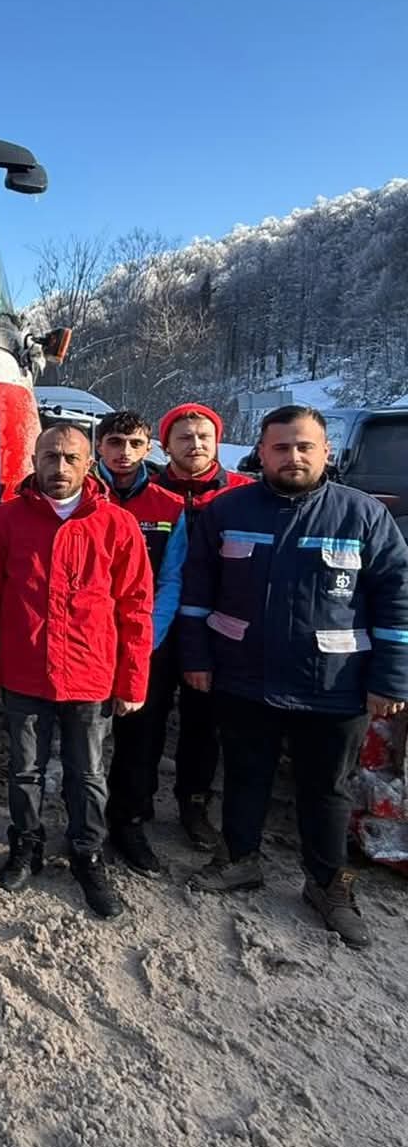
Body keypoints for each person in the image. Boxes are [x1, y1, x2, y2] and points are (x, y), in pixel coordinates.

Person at [180, 405, 408, 949]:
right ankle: (239, 860)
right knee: (244, 776)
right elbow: (196, 595)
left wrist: (391, 680)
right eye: (281, 447)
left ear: (326, 452)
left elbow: (397, 600)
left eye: (305, 446)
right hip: (243, 677)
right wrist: (197, 660)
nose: (293, 456)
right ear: (260, 453)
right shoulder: (227, 511)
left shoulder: (363, 517)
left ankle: (328, 886)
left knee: (326, 789)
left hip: (332, 685)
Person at [0, 424, 153, 919]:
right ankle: (26, 845)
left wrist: (133, 679)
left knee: (88, 774)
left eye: (72, 457)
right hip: (24, 671)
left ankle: (86, 853)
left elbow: (136, 607)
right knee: (24, 770)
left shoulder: (116, 525)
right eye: (50, 457)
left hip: (90, 674)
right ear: (34, 460)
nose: (60, 467)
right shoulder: (8, 521)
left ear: (89, 463)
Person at [153, 402, 254, 850]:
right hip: (155, 624)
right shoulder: (147, 490)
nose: (194, 445)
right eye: (184, 437)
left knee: (202, 722)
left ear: (217, 442)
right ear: (165, 445)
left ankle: (194, 805)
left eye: (203, 437)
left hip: (216, 627)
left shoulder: (241, 494)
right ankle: (133, 805)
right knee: (144, 720)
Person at [94, 411, 189, 873]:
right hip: (85, 642)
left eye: (134, 443)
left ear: (150, 447)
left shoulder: (170, 506)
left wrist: (147, 637)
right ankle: (82, 820)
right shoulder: (81, 496)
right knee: (81, 739)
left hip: (144, 641)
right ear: (99, 447)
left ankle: (129, 822)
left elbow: (172, 579)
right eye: (115, 442)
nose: (124, 453)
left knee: (141, 740)